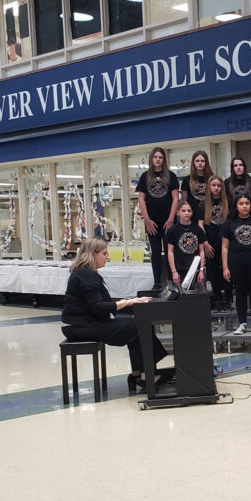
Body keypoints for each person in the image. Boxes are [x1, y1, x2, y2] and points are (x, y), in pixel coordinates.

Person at [61, 237, 166, 392]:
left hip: (84, 323)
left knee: (135, 326)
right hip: (82, 326)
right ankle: (146, 376)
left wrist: (129, 301)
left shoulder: (84, 273)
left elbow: (101, 304)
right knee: (138, 326)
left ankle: (139, 374)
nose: (107, 257)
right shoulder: (86, 274)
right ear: (92, 255)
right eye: (104, 253)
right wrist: (129, 302)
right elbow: (97, 307)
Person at [222, 195, 251, 335]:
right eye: (241, 203)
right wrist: (225, 267)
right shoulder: (229, 223)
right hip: (236, 263)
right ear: (236, 206)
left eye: (247, 203)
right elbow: (224, 247)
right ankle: (242, 323)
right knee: (240, 293)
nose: (244, 206)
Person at [136, 146, 180, 287]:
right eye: (155, 157)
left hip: (168, 221)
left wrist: (171, 219)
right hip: (152, 222)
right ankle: (157, 282)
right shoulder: (145, 176)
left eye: (160, 157)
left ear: (164, 160)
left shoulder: (171, 176)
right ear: (151, 159)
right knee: (155, 252)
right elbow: (141, 199)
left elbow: (175, 199)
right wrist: (147, 220)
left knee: (169, 251)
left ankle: (170, 281)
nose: (158, 160)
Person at [202, 175, 231, 311]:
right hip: (210, 243)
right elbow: (200, 226)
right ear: (209, 187)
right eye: (213, 185)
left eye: (219, 185)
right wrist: (205, 243)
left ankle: (228, 299)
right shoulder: (203, 204)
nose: (216, 188)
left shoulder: (228, 202)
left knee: (227, 270)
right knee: (213, 272)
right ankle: (218, 299)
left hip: (226, 242)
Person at [166, 201, 206, 289]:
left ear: (192, 212)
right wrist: (173, 272)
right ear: (178, 212)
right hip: (179, 269)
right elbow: (170, 252)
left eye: (189, 211)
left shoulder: (198, 230)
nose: (186, 213)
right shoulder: (172, 230)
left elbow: (202, 251)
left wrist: (201, 270)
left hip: (195, 269)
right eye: (183, 211)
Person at [180, 150, 213, 223]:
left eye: (202, 161)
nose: (200, 163)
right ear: (193, 162)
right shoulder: (187, 180)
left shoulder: (212, 179)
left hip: (209, 214)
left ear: (206, 162)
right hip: (193, 216)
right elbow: (184, 201)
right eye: (197, 161)